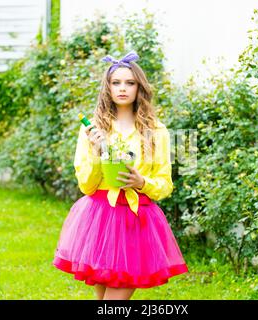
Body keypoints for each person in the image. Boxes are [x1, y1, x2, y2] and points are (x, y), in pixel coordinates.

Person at [52, 51, 188, 300]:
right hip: (99, 219)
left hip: (135, 220)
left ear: (140, 87)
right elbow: (86, 184)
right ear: (107, 88)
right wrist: (96, 151)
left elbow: (165, 183)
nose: (122, 88)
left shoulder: (156, 131)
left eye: (130, 82)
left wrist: (141, 182)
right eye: (116, 83)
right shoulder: (93, 128)